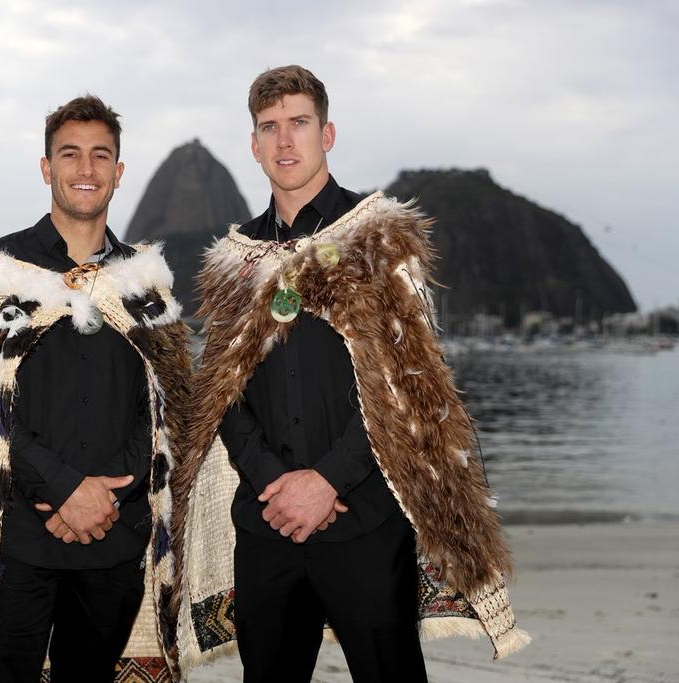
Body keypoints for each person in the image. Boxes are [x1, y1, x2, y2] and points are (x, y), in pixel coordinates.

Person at [167, 65, 529, 682]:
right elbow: (221, 393)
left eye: (299, 124)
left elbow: (408, 385)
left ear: (327, 134)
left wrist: (327, 482)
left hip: (364, 521)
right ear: (253, 145)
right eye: (269, 128)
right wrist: (274, 483)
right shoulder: (232, 260)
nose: (285, 142)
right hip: (267, 525)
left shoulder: (379, 237)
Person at [0, 95, 190, 683]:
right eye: (70, 155)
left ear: (118, 173)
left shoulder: (146, 285)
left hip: (115, 539)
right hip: (19, 538)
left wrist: (102, 498)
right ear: (46, 168)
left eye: (101, 156)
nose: (86, 169)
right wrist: (63, 489)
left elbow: (162, 413)